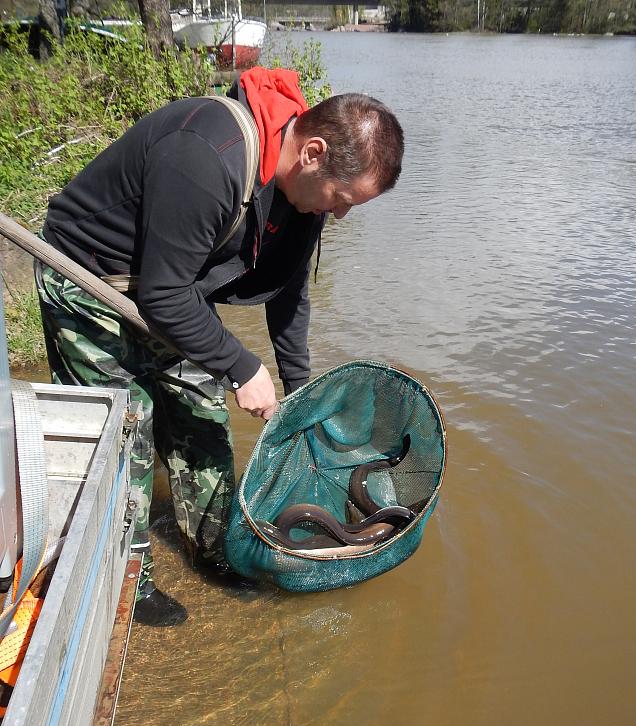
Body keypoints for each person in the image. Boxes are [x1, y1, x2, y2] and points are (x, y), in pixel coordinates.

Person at [35, 67, 404, 626]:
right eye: (343, 198)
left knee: (202, 418)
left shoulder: (298, 192)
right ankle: (129, 584)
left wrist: (299, 389)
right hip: (89, 284)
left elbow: (289, 290)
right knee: (125, 437)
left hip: (169, 287)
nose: (342, 213)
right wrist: (241, 365)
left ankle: (213, 552)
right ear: (313, 152)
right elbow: (162, 296)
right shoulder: (209, 154)